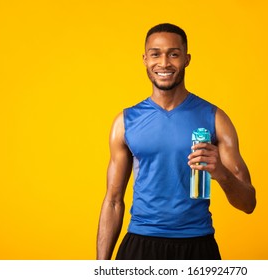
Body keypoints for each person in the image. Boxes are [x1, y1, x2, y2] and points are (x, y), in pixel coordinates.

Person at [96, 23, 256, 260]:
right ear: (144, 59)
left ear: (187, 59)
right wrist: (100, 267)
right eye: (155, 54)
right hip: (141, 243)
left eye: (173, 54)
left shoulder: (215, 118)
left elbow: (248, 203)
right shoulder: (125, 122)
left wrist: (220, 172)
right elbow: (113, 201)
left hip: (197, 246)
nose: (164, 63)